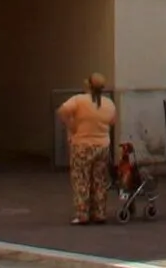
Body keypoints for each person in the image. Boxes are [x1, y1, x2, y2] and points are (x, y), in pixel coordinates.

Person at [57, 72, 118, 226]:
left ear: (88, 85)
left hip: (82, 145)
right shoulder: (109, 103)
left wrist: (71, 126)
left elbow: (62, 111)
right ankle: (99, 213)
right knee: (99, 180)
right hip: (103, 145)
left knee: (81, 179)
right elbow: (112, 121)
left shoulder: (79, 100)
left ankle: (82, 213)